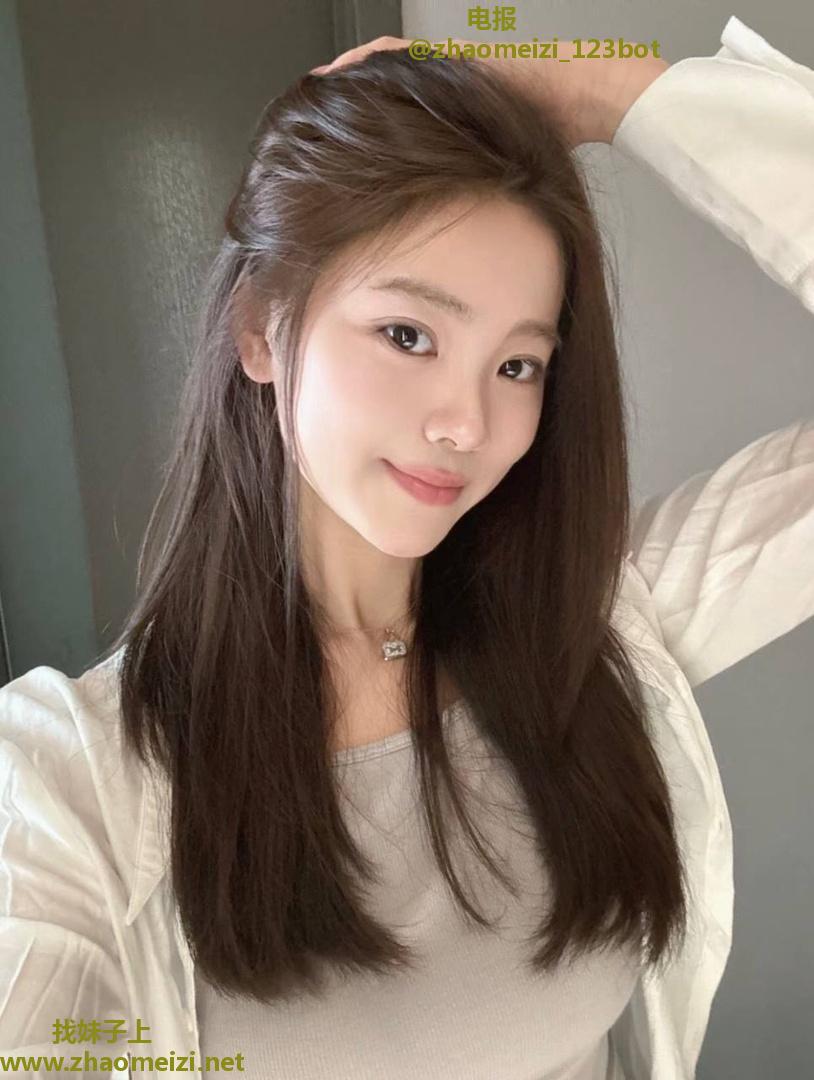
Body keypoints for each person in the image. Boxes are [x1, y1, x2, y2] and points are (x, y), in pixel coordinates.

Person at [1, 13, 812, 1080]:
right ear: (259, 329)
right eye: (408, 335)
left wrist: (613, 90)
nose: (467, 423)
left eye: (517, 366)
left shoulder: (600, 629)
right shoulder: (61, 784)